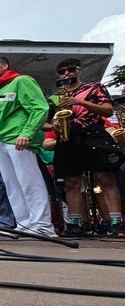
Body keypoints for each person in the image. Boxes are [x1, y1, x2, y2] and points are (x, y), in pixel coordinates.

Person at [0, 56, 56, 237]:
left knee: (30, 182)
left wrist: (27, 132)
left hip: (17, 140)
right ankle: (24, 224)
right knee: (12, 186)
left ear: (5, 65)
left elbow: (40, 108)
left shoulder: (21, 81)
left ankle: (42, 225)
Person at [50, 58, 124, 237]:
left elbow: (107, 110)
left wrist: (80, 102)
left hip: (93, 134)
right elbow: (46, 123)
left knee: (104, 178)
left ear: (79, 70)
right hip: (69, 138)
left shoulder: (95, 87)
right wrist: (56, 125)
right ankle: (75, 224)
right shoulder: (56, 96)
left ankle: (116, 223)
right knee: (71, 182)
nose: (66, 73)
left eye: (70, 69)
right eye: (62, 71)